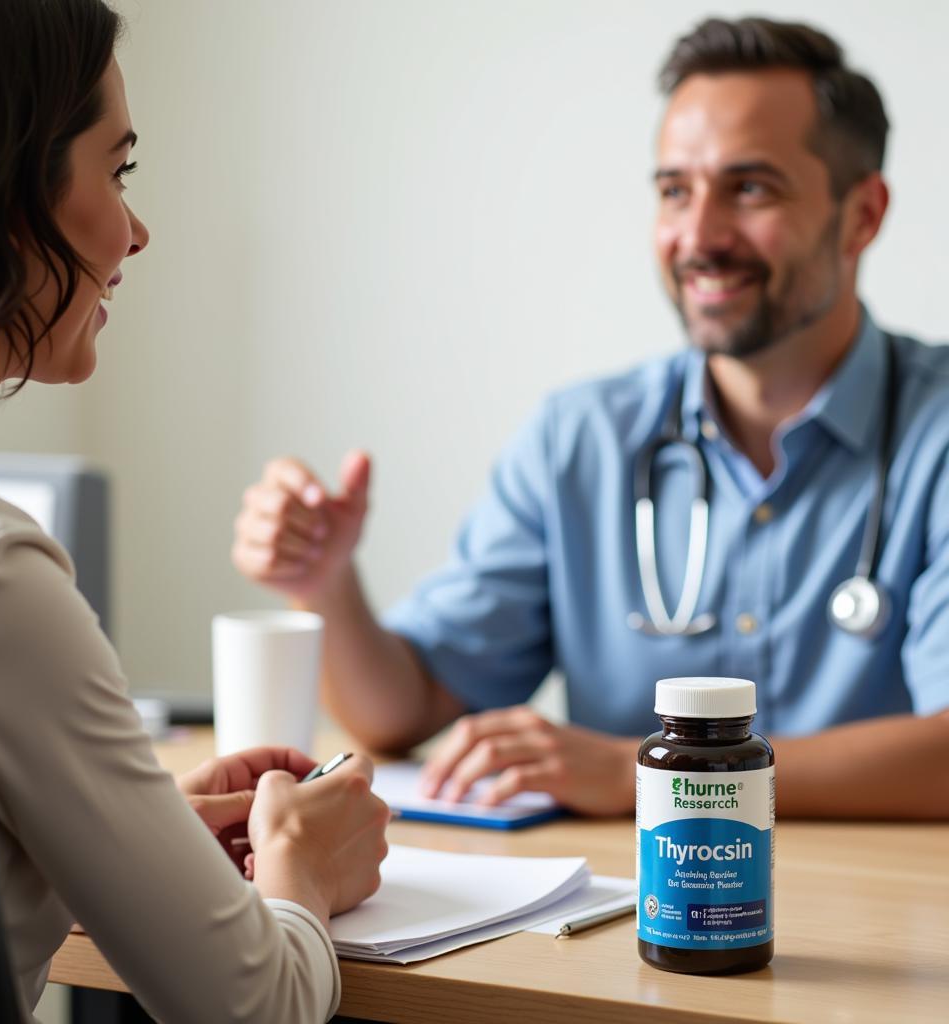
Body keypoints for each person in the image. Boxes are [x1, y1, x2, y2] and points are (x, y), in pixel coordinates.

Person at [232, 16, 949, 821]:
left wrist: (650, 774)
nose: (699, 236)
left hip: (881, 926)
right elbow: (406, 706)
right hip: (633, 924)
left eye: (750, 188)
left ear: (863, 215)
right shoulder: (582, 440)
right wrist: (327, 587)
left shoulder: (938, 436)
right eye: (675, 190)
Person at [0, 2, 389, 1021]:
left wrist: (115, 832)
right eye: (116, 170)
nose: (136, 229)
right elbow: (257, 1006)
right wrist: (300, 868)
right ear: (7, 195)